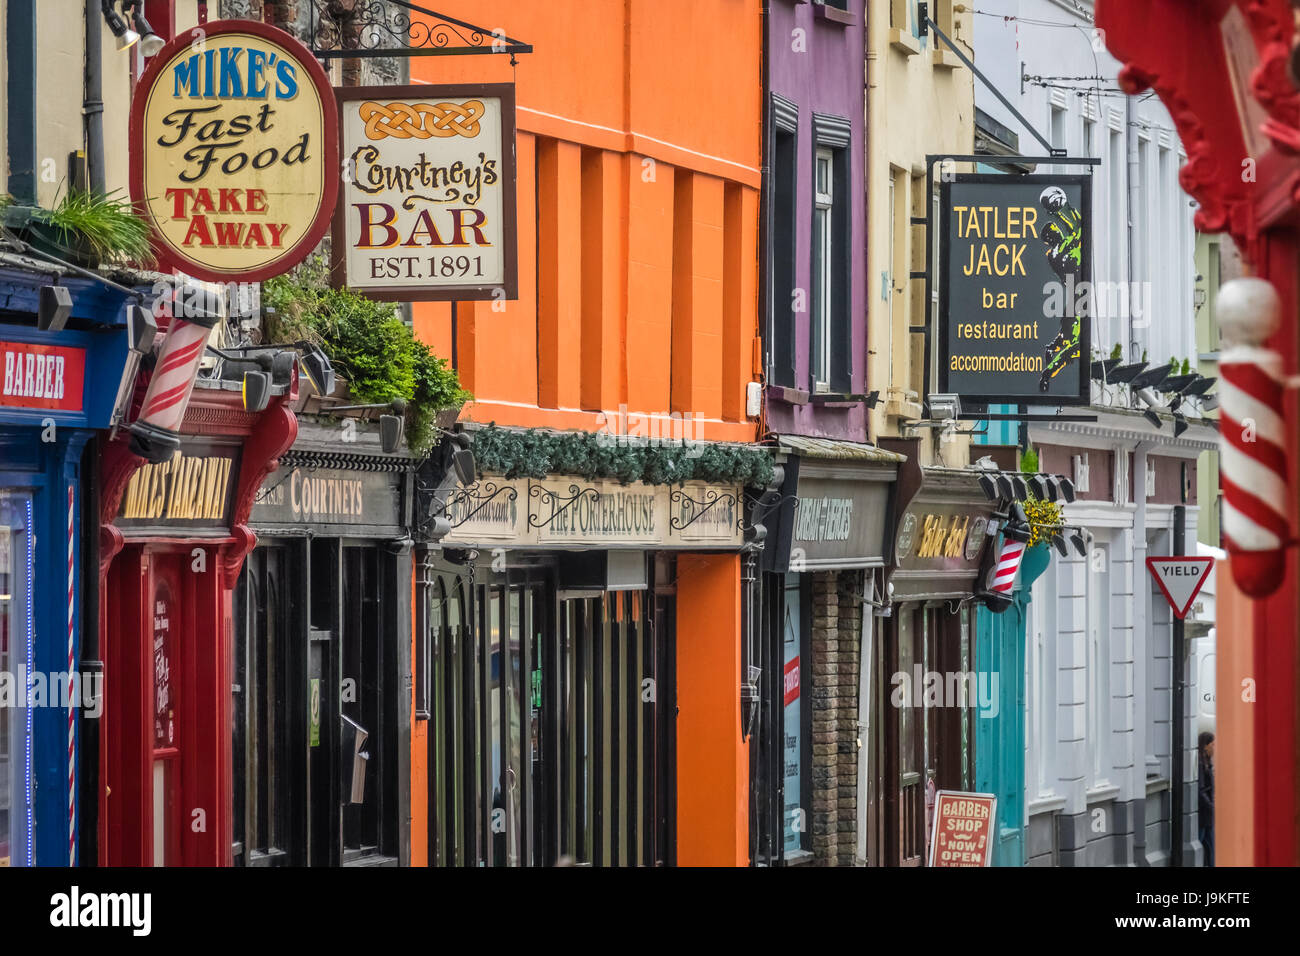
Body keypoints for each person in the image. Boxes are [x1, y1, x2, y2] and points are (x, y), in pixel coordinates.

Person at [1198, 731, 1215, 867]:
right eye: (1213, 745)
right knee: (1202, 842)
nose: (1214, 748)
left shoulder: (1207, 764)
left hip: (1207, 815)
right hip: (1203, 815)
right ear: (1205, 746)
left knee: (1210, 848)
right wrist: (1212, 806)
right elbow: (1201, 790)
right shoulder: (1201, 765)